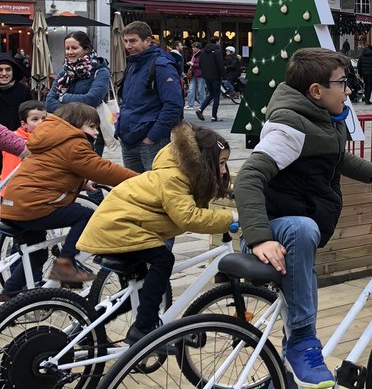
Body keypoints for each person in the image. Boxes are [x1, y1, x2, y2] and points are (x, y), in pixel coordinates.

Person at [234, 48, 372, 389]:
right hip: (277, 234)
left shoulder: (318, 120)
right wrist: (259, 238)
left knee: (293, 372)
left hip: (293, 237)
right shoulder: (290, 128)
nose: (348, 90)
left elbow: (335, 158)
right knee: (302, 228)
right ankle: (301, 339)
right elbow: (248, 178)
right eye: (342, 83)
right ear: (316, 91)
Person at [78, 123, 235, 344]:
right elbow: (188, 217)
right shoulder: (174, 177)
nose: (223, 171)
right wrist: (230, 218)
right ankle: (142, 329)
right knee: (163, 259)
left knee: (139, 293)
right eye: (221, 163)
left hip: (122, 226)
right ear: (204, 160)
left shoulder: (180, 172)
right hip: (119, 228)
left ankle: (86, 330)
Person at [0, 104, 135, 293]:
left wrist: (83, 184)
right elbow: (104, 169)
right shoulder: (74, 143)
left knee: (37, 256)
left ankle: (8, 299)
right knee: (87, 216)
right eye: (92, 127)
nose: (96, 132)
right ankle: (66, 266)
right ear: (76, 125)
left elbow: (53, 171)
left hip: (14, 204)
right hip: (33, 205)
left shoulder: (50, 139)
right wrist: (141, 179)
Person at [116, 22, 184, 173]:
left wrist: (152, 137)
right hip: (129, 138)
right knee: (135, 188)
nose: (128, 46)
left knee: (156, 188)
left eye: (133, 41)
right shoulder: (133, 63)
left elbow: (173, 105)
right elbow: (126, 101)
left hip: (151, 141)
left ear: (148, 41)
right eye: (125, 41)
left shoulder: (161, 66)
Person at [45, 31, 111, 154]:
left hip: (90, 132)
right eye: (67, 48)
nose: (70, 52)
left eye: (74, 48)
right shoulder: (64, 72)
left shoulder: (100, 71)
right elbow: (49, 103)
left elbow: (92, 100)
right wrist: (77, 106)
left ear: (86, 49)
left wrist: (63, 97)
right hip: (64, 131)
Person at [0, 53, 32, 132]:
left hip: (18, 137)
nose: (4, 73)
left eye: (8, 69)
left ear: (13, 71)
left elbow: (30, 115)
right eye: (0, 70)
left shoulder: (23, 90)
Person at [197, 37, 226, 122]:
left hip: (206, 76)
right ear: (217, 42)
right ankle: (214, 116)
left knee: (211, 94)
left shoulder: (203, 52)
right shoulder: (217, 52)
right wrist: (224, 75)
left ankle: (200, 110)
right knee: (216, 96)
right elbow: (220, 64)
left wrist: (204, 73)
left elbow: (200, 64)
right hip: (216, 76)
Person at [186, 41, 207, 110]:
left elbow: (202, 65)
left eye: (194, 47)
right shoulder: (194, 55)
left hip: (200, 74)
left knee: (201, 89)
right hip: (194, 73)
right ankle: (190, 104)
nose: (192, 49)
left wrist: (192, 64)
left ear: (198, 48)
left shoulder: (202, 54)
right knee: (191, 89)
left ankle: (202, 104)